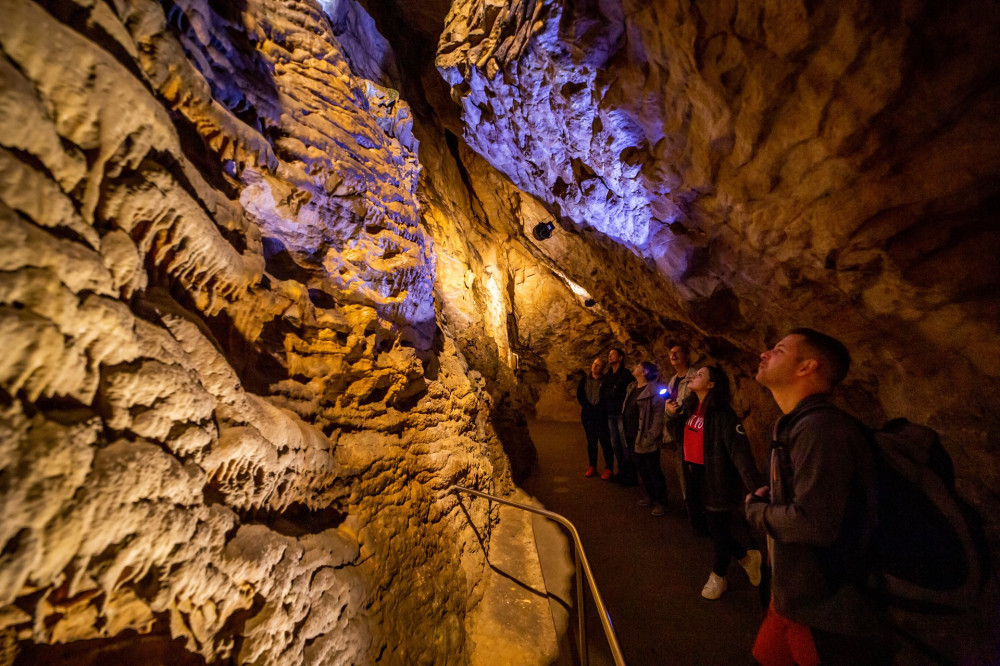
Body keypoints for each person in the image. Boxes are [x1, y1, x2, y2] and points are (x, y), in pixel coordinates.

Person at [746, 328, 890, 664]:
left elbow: (814, 524)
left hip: (823, 610)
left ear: (806, 367)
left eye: (779, 350)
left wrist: (756, 511)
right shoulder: (796, 425)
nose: (764, 354)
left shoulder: (821, 430)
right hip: (789, 599)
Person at [666, 365, 762, 598]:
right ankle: (746, 556)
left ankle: (719, 576)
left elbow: (741, 454)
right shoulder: (689, 407)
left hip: (717, 476)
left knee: (718, 529)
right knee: (704, 525)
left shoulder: (723, 415)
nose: (693, 376)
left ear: (711, 385)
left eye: (700, 375)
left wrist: (756, 488)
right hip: (694, 473)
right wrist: (671, 416)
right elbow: (679, 437)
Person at [629, 361, 668, 516]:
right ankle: (650, 496)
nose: (635, 367)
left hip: (646, 435)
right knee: (642, 468)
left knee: (653, 469)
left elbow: (659, 415)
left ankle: (661, 501)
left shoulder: (653, 390)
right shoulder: (632, 388)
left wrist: (651, 434)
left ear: (644, 372)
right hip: (633, 434)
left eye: (638, 365)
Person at [663, 342, 697, 500]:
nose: (673, 355)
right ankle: (689, 503)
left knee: (694, 470)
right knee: (682, 469)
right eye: (671, 353)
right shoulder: (673, 380)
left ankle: (699, 506)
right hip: (678, 431)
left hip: (693, 430)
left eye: (677, 352)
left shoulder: (695, 376)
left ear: (687, 357)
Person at [601, 348, 637, 485]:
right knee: (615, 444)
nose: (609, 356)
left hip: (622, 414)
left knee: (625, 444)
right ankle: (622, 471)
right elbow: (603, 393)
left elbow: (621, 393)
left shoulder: (626, 375)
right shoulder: (608, 375)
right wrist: (613, 391)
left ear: (620, 357)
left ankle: (630, 474)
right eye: (609, 354)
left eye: (612, 354)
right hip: (610, 413)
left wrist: (612, 392)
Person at [577, 357, 613, 479]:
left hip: (601, 416)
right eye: (594, 364)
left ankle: (609, 468)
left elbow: (607, 396)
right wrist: (587, 406)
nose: (595, 366)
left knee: (605, 442)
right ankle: (592, 466)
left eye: (598, 365)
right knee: (591, 442)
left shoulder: (606, 381)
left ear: (602, 368)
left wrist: (600, 408)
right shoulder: (584, 380)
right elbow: (580, 395)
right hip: (588, 415)